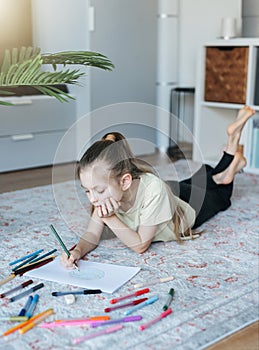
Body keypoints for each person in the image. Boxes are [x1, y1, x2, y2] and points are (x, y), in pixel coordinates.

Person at [60, 105, 255, 269]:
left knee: (222, 195)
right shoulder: (105, 195)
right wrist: (77, 250)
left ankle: (232, 157)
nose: (93, 198)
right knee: (205, 178)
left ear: (125, 181)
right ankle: (232, 150)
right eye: (87, 191)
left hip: (183, 207)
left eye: (99, 190)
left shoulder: (151, 189)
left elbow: (140, 245)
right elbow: (92, 234)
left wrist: (110, 218)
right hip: (167, 193)